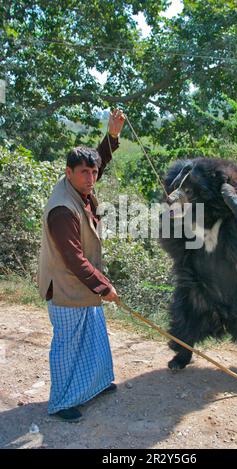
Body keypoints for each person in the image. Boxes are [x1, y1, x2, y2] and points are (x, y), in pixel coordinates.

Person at [37, 109, 125, 422]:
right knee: (67, 346)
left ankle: (93, 385)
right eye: (85, 173)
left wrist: (112, 137)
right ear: (68, 172)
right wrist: (105, 287)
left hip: (79, 284)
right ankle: (61, 402)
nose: (91, 178)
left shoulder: (78, 185)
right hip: (64, 286)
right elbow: (74, 259)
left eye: (94, 173)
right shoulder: (62, 210)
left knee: (92, 335)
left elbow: (97, 160)